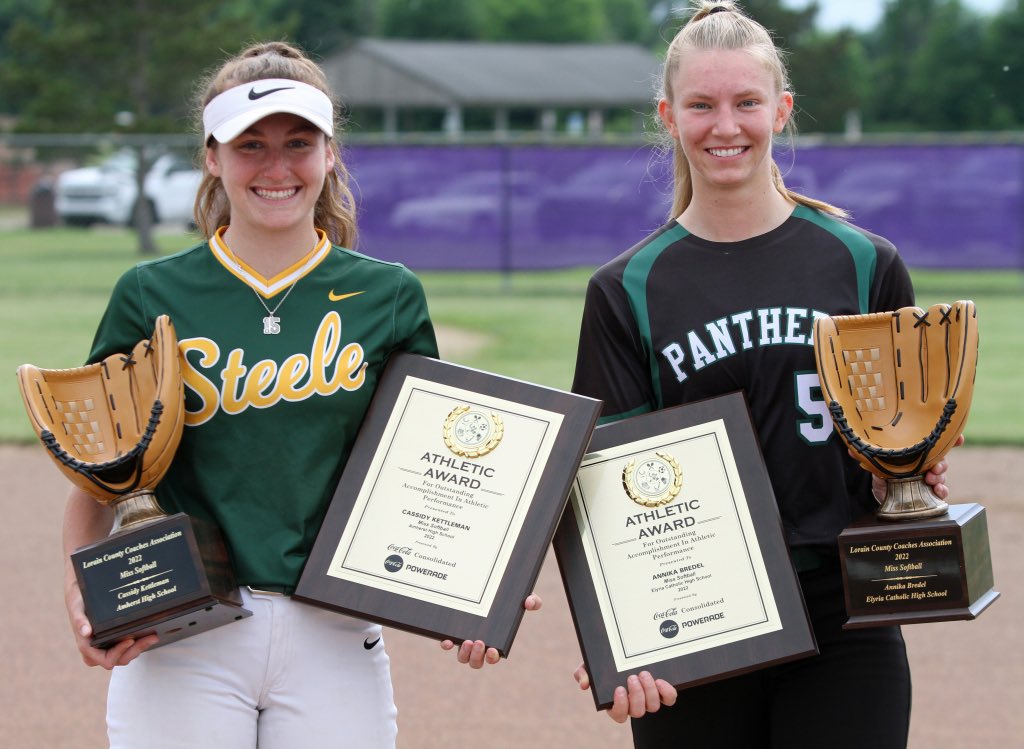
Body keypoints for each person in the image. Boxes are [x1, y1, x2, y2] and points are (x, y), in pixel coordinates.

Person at [61, 41, 534, 749]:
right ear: (212, 158)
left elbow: (430, 470)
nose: (277, 167)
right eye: (250, 145)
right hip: (188, 626)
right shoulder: (151, 295)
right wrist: (82, 591)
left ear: (330, 153)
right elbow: (105, 471)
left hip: (334, 631)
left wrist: (475, 581)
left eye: (298, 142)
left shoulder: (389, 295)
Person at [569, 3, 958, 747]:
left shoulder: (865, 262)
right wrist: (619, 636)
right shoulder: (626, 289)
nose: (726, 126)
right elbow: (613, 490)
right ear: (668, 115)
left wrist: (913, 467)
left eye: (747, 102)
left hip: (842, 609)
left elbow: (897, 446)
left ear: (781, 109)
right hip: (701, 620)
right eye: (702, 105)